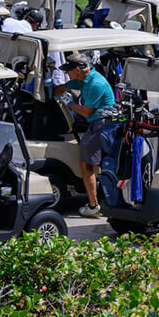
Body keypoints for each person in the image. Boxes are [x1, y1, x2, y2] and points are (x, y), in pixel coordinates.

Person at [62, 52, 116, 217]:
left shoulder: (95, 84)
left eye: (68, 70)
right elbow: (66, 86)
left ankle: (93, 206)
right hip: (96, 123)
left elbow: (86, 112)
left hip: (101, 124)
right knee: (87, 162)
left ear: (78, 69)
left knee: (86, 164)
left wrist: (69, 103)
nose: (66, 73)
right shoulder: (84, 80)